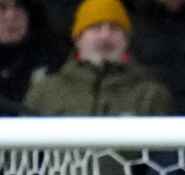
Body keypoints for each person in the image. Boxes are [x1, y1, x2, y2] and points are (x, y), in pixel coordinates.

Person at [24, 0, 171, 115]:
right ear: (78, 39)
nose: (105, 35)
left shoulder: (150, 94)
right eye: (96, 27)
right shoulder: (44, 92)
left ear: (126, 41)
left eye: (114, 28)